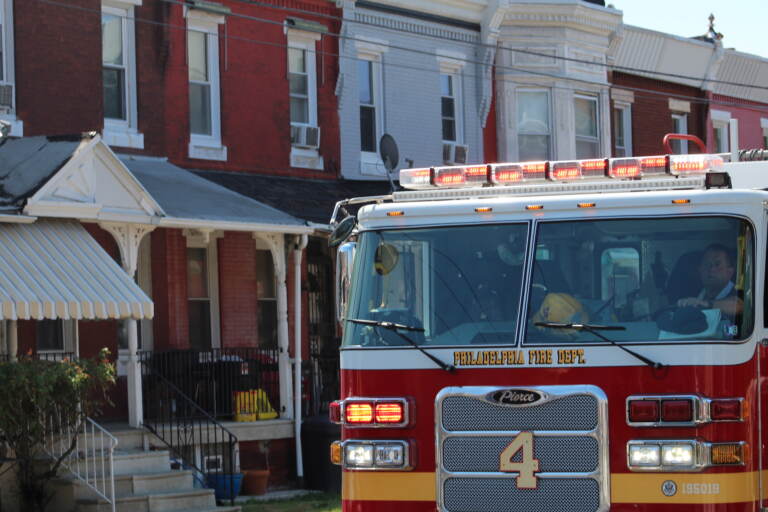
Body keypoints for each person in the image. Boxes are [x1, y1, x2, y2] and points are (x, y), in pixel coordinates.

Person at [676, 243, 742, 318]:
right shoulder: (693, 294)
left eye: (717, 264)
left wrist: (706, 304)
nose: (711, 269)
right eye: (706, 264)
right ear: (700, 270)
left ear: (730, 272)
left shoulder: (739, 292)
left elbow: (739, 306)